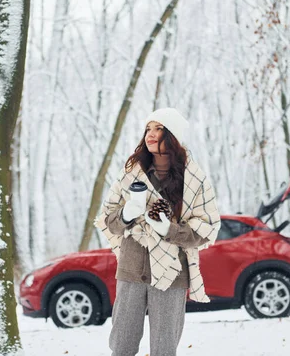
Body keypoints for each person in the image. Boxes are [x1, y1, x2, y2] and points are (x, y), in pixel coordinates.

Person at [95, 107, 221, 356]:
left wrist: (168, 229)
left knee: (164, 348)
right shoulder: (131, 173)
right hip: (132, 268)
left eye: (159, 128)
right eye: (148, 129)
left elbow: (206, 227)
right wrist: (127, 214)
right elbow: (109, 220)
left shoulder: (194, 179)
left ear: (173, 134)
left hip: (172, 271)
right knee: (121, 345)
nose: (150, 134)